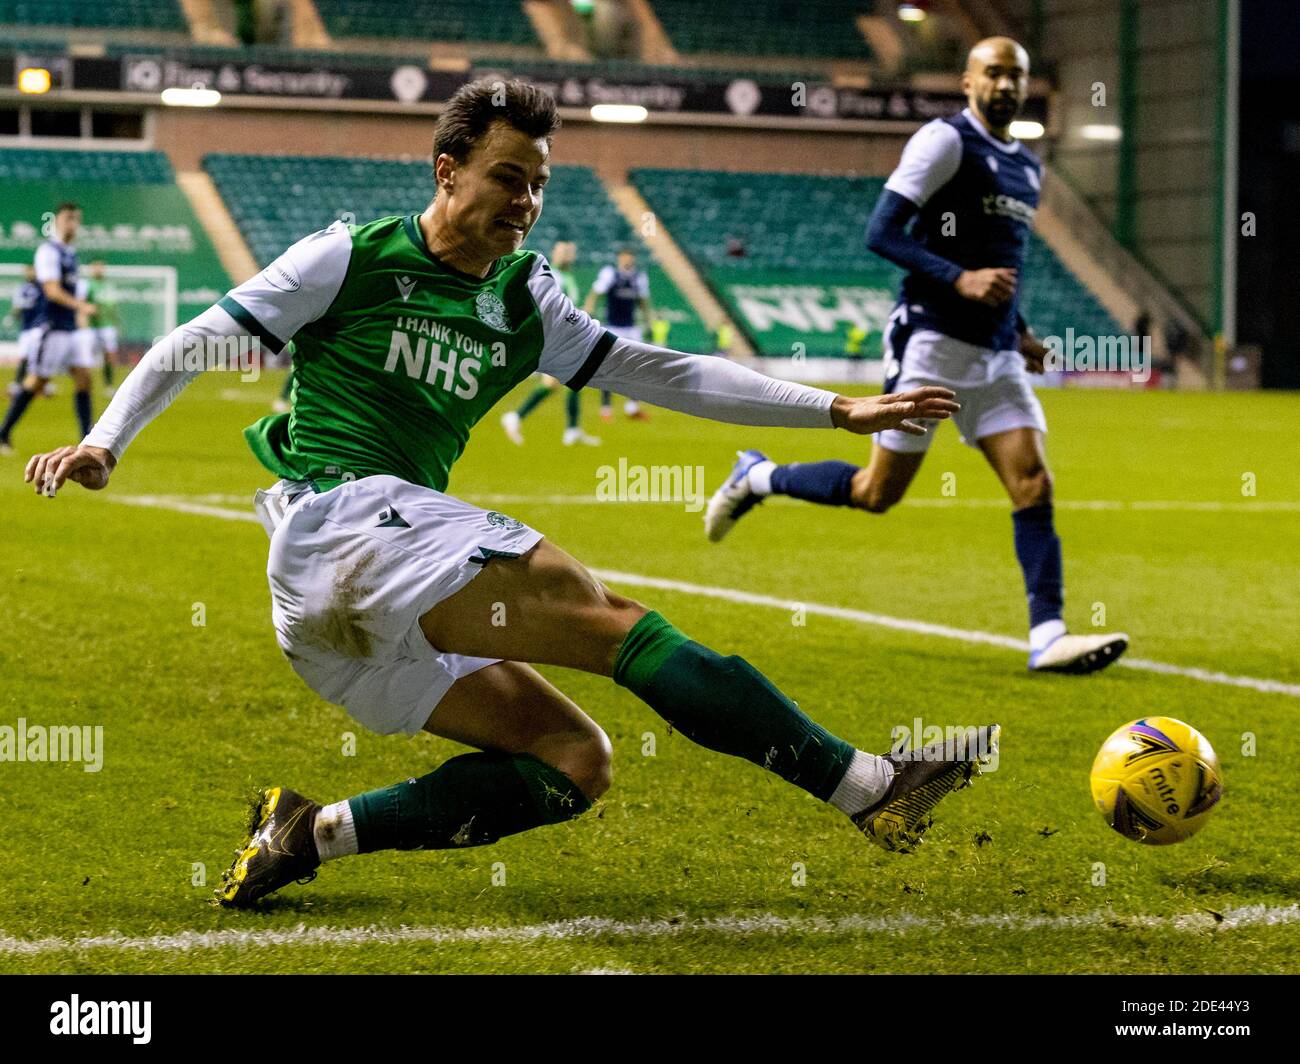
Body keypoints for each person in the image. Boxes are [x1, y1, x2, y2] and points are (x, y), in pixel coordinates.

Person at [23, 80, 992, 908]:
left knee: (575, 762)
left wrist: (833, 408)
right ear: (447, 170)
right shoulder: (350, 256)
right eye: (506, 177)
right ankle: (868, 784)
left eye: (537, 185)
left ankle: (308, 832)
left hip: (346, 616)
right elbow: (195, 336)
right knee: (608, 618)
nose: (524, 202)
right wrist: (106, 441)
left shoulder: (525, 301)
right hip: (339, 526)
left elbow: (666, 372)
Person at [703, 38, 1129, 676]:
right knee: (877, 493)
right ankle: (759, 476)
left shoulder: (1029, 167)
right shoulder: (945, 142)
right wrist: (958, 279)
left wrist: (1021, 332)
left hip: (995, 353)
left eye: (1016, 75)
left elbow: (1003, 263)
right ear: (968, 82)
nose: (1005, 85)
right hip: (930, 338)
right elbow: (881, 232)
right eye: (994, 73)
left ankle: (1048, 634)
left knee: (1033, 482)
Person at [0, 203, 97, 456]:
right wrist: (81, 306)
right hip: (52, 327)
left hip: (70, 329)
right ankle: (3, 433)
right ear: (55, 221)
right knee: (36, 380)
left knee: (84, 377)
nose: (72, 224)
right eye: (67, 218)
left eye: (76, 219)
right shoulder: (48, 251)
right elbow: (52, 291)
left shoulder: (70, 253)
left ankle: (88, 439)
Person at [499, 240, 600, 446]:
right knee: (568, 380)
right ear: (555, 252)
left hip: (562, 338)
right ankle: (517, 417)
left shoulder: (568, 276)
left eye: (570, 251)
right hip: (552, 338)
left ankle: (570, 429)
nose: (568, 255)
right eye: (564, 251)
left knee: (571, 381)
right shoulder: (551, 275)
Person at [582, 247, 654, 421]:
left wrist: (648, 322)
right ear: (620, 258)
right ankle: (606, 408)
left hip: (631, 328)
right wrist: (588, 310)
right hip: (612, 327)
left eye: (630, 256)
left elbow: (644, 302)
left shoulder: (639, 278)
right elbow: (595, 293)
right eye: (625, 257)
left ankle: (632, 407)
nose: (628, 260)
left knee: (636, 368)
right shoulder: (610, 274)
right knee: (607, 367)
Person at [6, 265, 42, 398]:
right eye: (29, 271)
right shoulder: (22, 288)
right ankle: (18, 383)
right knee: (24, 357)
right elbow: (17, 306)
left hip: (38, 327)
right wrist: (12, 316)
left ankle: (40, 385)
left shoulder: (43, 287)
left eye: (33, 270)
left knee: (36, 357)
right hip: (26, 328)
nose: (31, 273)